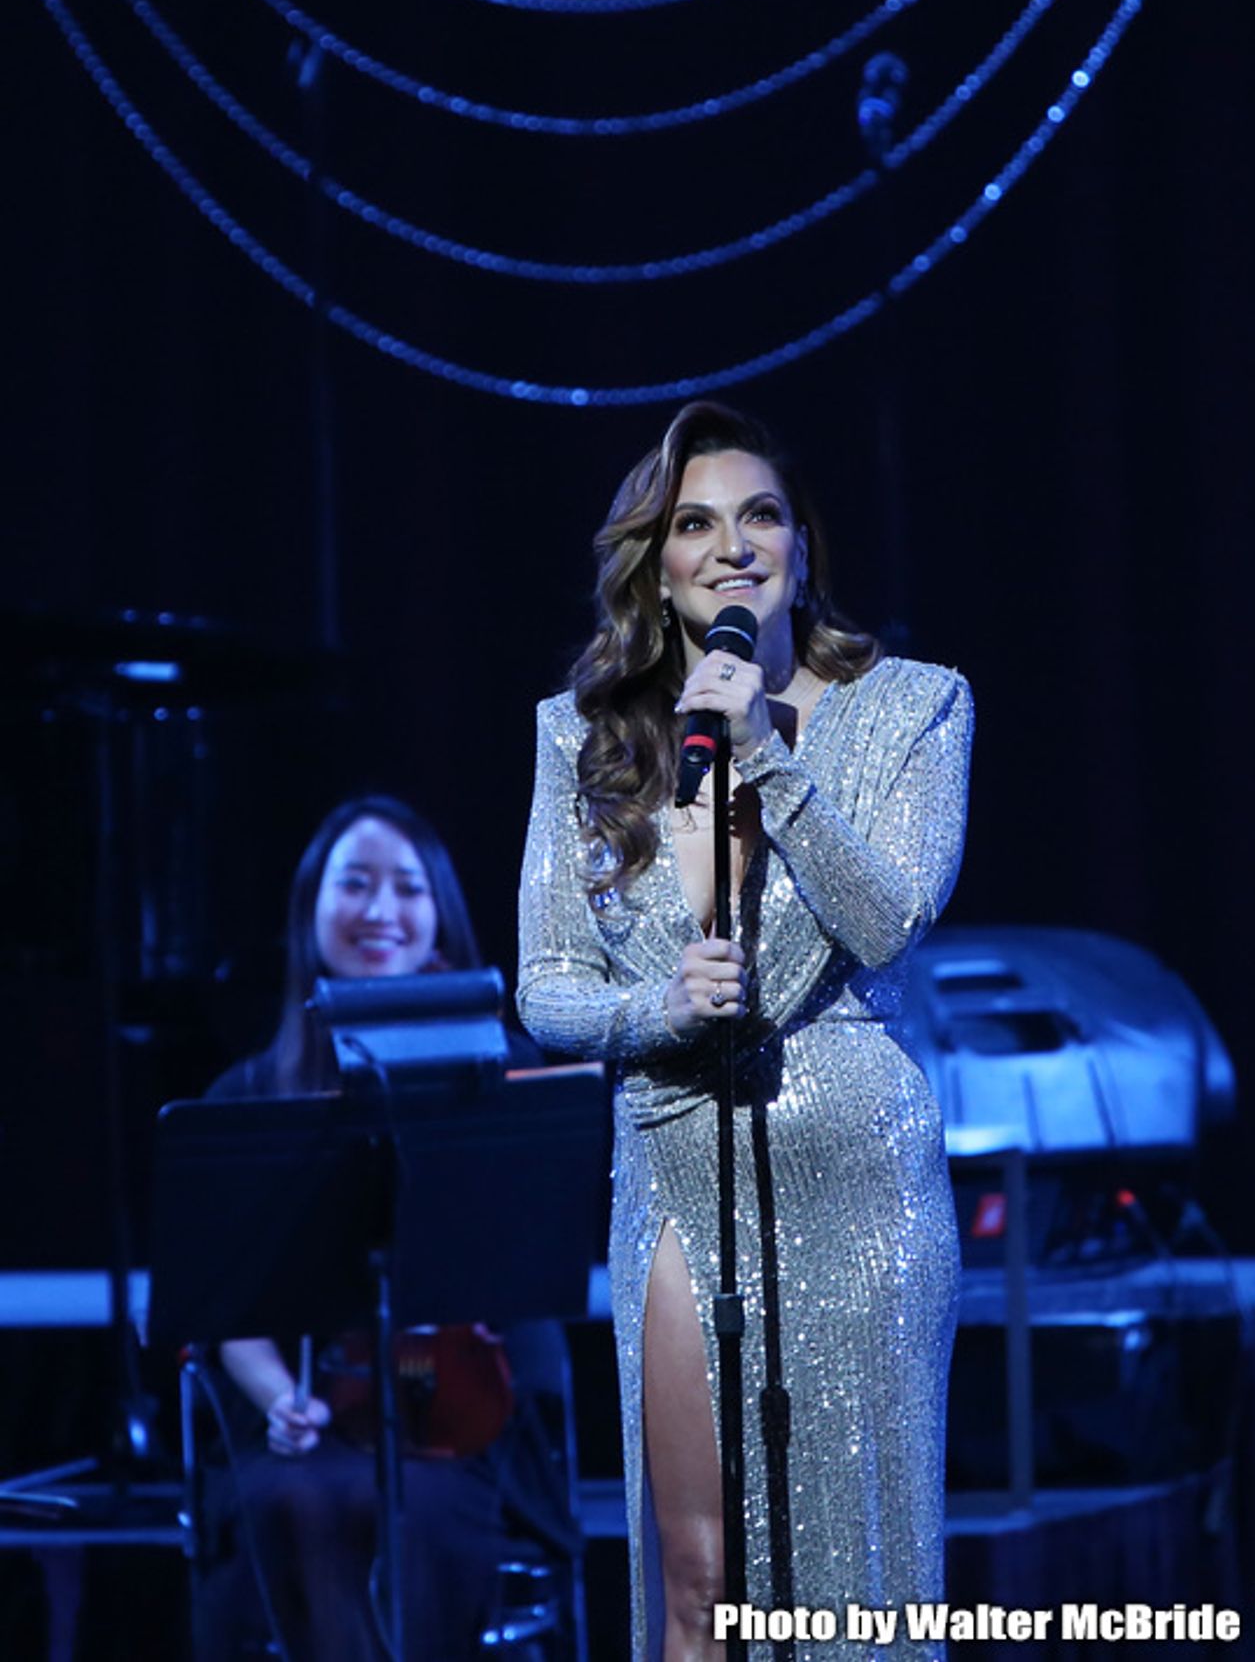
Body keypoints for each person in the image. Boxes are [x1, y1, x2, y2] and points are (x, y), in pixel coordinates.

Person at [517, 403, 973, 1662]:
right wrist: (649, 1008)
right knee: (699, 1576)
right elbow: (543, 983)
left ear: (801, 547)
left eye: (760, 514)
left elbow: (886, 923)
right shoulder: (582, 735)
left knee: (859, 1589)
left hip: (859, 1175)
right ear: (655, 565)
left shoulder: (915, 708)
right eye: (694, 522)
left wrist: (769, 757)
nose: (733, 545)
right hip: (675, 1150)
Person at [200, 796, 575, 1662]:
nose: (380, 910)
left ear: (438, 911)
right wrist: (280, 1400)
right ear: (310, 911)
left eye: (407, 887)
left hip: (459, 1425)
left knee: (422, 1515)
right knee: (292, 1498)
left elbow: (536, 1249)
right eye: (356, 884)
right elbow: (228, 1308)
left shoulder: (503, 1073)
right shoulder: (248, 1095)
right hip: (305, 1419)